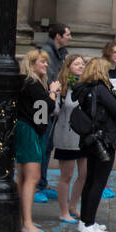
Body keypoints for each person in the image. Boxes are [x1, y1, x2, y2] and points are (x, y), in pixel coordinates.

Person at [71, 57, 116, 232]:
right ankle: (89, 224)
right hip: (103, 140)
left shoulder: (85, 88)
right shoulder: (101, 89)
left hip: (91, 138)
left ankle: (85, 221)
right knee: (98, 182)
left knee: (90, 181)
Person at [16, 49, 60, 232]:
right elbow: (45, 108)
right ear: (32, 63)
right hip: (29, 132)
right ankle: (27, 222)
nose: (46, 65)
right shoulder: (32, 83)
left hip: (29, 130)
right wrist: (52, 92)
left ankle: (22, 219)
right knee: (32, 178)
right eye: (42, 62)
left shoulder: (30, 83)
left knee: (23, 178)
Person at [36, 22, 71, 199]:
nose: (70, 38)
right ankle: (35, 185)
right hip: (42, 104)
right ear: (58, 36)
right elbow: (49, 79)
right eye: (67, 34)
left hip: (52, 102)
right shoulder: (47, 53)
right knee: (41, 144)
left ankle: (41, 182)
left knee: (47, 144)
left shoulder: (61, 54)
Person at [52, 53, 88, 224]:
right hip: (66, 135)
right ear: (68, 67)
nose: (80, 66)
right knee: (66, 175)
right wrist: (55, 94)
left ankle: (74, 206)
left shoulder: (87, 86)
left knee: (84, 174)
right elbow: (55, 111)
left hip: (83, 136)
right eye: (76, 64)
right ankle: (63, 211)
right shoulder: (64, 86)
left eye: (82, 64)